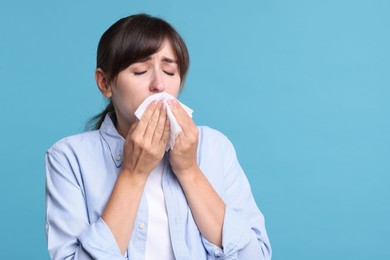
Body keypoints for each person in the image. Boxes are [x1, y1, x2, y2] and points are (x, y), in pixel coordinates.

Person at [45, 13, 272, 260]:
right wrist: (133, 174)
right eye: (141, 71)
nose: (159, 85)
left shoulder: (215, 147)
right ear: (105, 83)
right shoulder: (68, 158)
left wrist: (189, 171)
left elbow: (254, 256)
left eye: (169, 71)